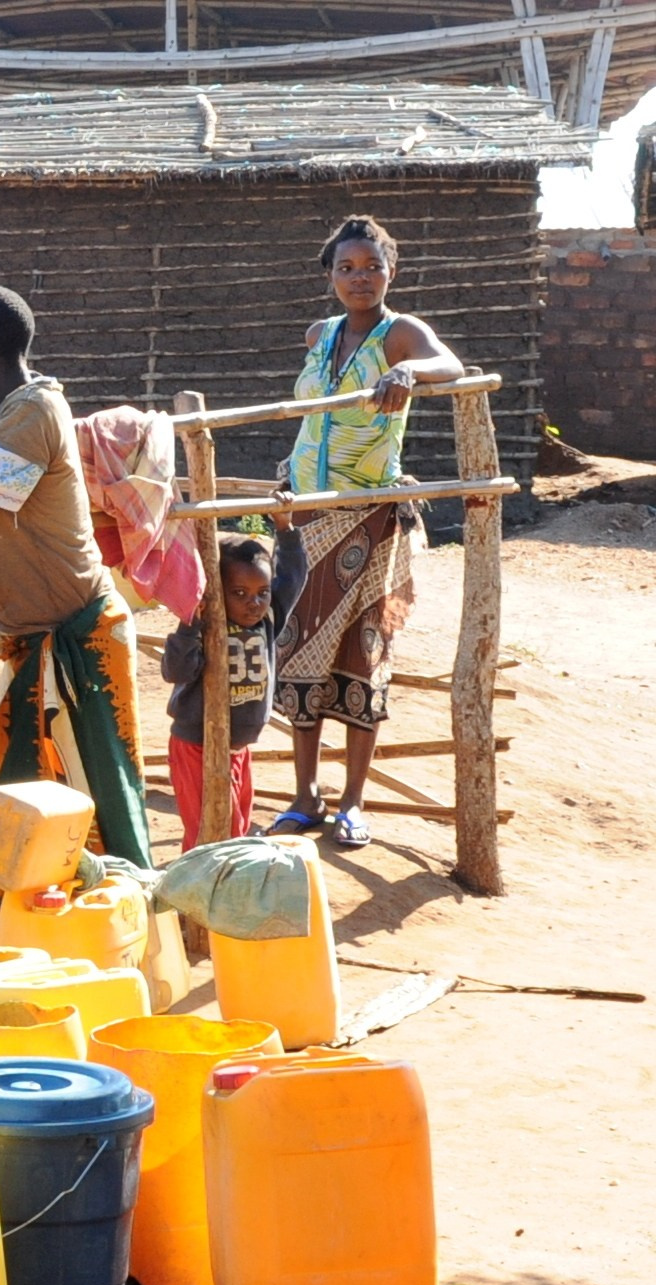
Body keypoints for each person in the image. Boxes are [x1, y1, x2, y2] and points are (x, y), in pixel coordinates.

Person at [0, 285, 154, 868]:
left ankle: (123, 930)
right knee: (29, 806)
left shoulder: (32, 412)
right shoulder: (1, 410)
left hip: (77, 635)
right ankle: (40, 934)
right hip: (30, 636)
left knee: (102, 802)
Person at [268, 215, 463, 849]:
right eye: (346, 268)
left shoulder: (398, 334)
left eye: (371, 266)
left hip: (366, 519)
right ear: (329, 276)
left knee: (361, 655)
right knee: (298, 654)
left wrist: (409, 373)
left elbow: (451, 364)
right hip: (306, 517)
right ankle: (305, 796)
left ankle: (353, 801)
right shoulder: (318, 334)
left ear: (391, 272)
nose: (360, 277)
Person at [161, 518, 305, 850]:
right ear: (216, 592)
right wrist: (188, 626)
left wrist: (286, 531)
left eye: (262, 593)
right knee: (209, 832)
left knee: (236, 825)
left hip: (238, 747)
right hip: (199, 744)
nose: (253, 603)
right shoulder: (206, 623)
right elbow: (176, 671)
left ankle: (226, 892)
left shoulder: (268, 620)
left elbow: (292, 579)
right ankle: (199, 896)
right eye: (239, 593)